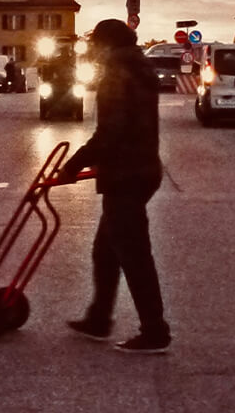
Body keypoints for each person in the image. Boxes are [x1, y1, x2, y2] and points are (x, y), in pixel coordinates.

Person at [59, 19, 170, 354]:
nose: (91, 49)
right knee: (106, 251)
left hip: (127, 174)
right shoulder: (137, 69)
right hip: (141, 169)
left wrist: (75, 163)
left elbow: (111, 132)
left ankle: (155, 330)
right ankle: (99, 318)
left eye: (95, 43)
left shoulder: (117, 75)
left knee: (134, 255)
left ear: (106, 45)